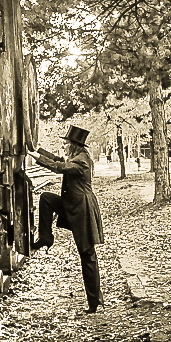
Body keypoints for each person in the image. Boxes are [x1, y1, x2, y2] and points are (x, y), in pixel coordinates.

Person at [28, 125, 105, 313]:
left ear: (75, 145)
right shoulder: (77, 157)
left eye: (67, 144)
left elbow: (59, 167)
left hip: (83, 211)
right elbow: (59, 159)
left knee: (87, 256)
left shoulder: (81, 161)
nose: (65, 147)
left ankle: (94, 302)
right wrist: (36, 150)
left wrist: (36, 158)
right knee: (46, 198)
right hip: (72, 207)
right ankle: (46, 237)